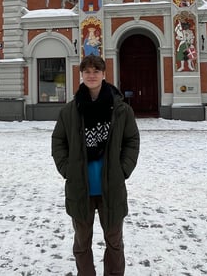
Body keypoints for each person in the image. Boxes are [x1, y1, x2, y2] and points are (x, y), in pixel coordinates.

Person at [52, 55, 140, 275]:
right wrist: (67, 169)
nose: (91, 75)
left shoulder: (120, 110)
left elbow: (132, 140)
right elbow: (58, 142)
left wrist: (123, 169)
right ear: (81, 75)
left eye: (96, 71)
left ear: (104, 74)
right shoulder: (70, 111)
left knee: (114, 242)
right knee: (82, 244)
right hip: (80, 187)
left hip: (111, 187)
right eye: (87, 71)